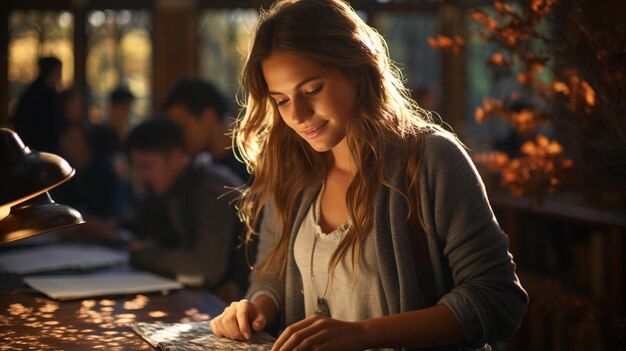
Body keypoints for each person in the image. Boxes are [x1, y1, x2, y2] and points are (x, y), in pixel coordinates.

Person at [209, 1, 528, 350]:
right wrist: (256, 307)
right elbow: (270, 274)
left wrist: (363, 334)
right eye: (281, 100)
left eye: (312, 90)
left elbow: (498, 299)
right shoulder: (292, 169)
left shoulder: (431, 159)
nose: (298, 115)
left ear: (358, 71)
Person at [126, 118, 246, 303]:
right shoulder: (175, 189)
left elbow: (205, 268)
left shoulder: (210, 190)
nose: (142, 176)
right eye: (138, 168)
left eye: (147, 167)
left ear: (175, 158)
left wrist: (142, 255)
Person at [161, 78, 249, 181]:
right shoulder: (202, 167)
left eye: (182, 127)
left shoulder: (251, 166)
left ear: (208, 116)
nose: (178, 137)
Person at [12, 56, 64, 154]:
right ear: (50, 72)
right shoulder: (36, 96)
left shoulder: (50, 93)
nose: (60, 76)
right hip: (38, 149)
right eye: (58, 72)